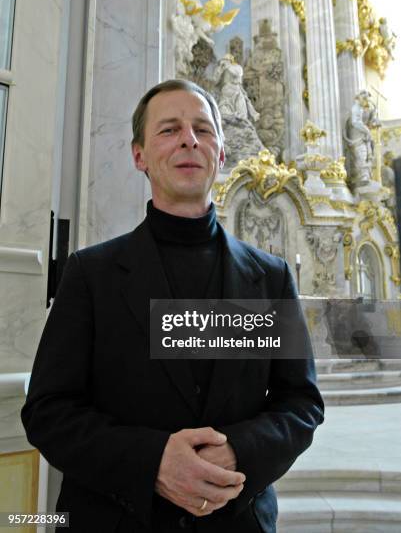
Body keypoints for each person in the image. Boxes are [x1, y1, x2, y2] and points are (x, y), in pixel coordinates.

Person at [21, 79, 324, 532]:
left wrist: (238, 450)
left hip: (238, 522)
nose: (189, 139)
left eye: (203, 129)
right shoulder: (91, 274)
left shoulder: (271, 277)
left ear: (221, 155)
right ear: (139, 155)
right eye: (169, 129)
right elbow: (48, 411)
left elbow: (300, 403)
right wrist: (154, 463)